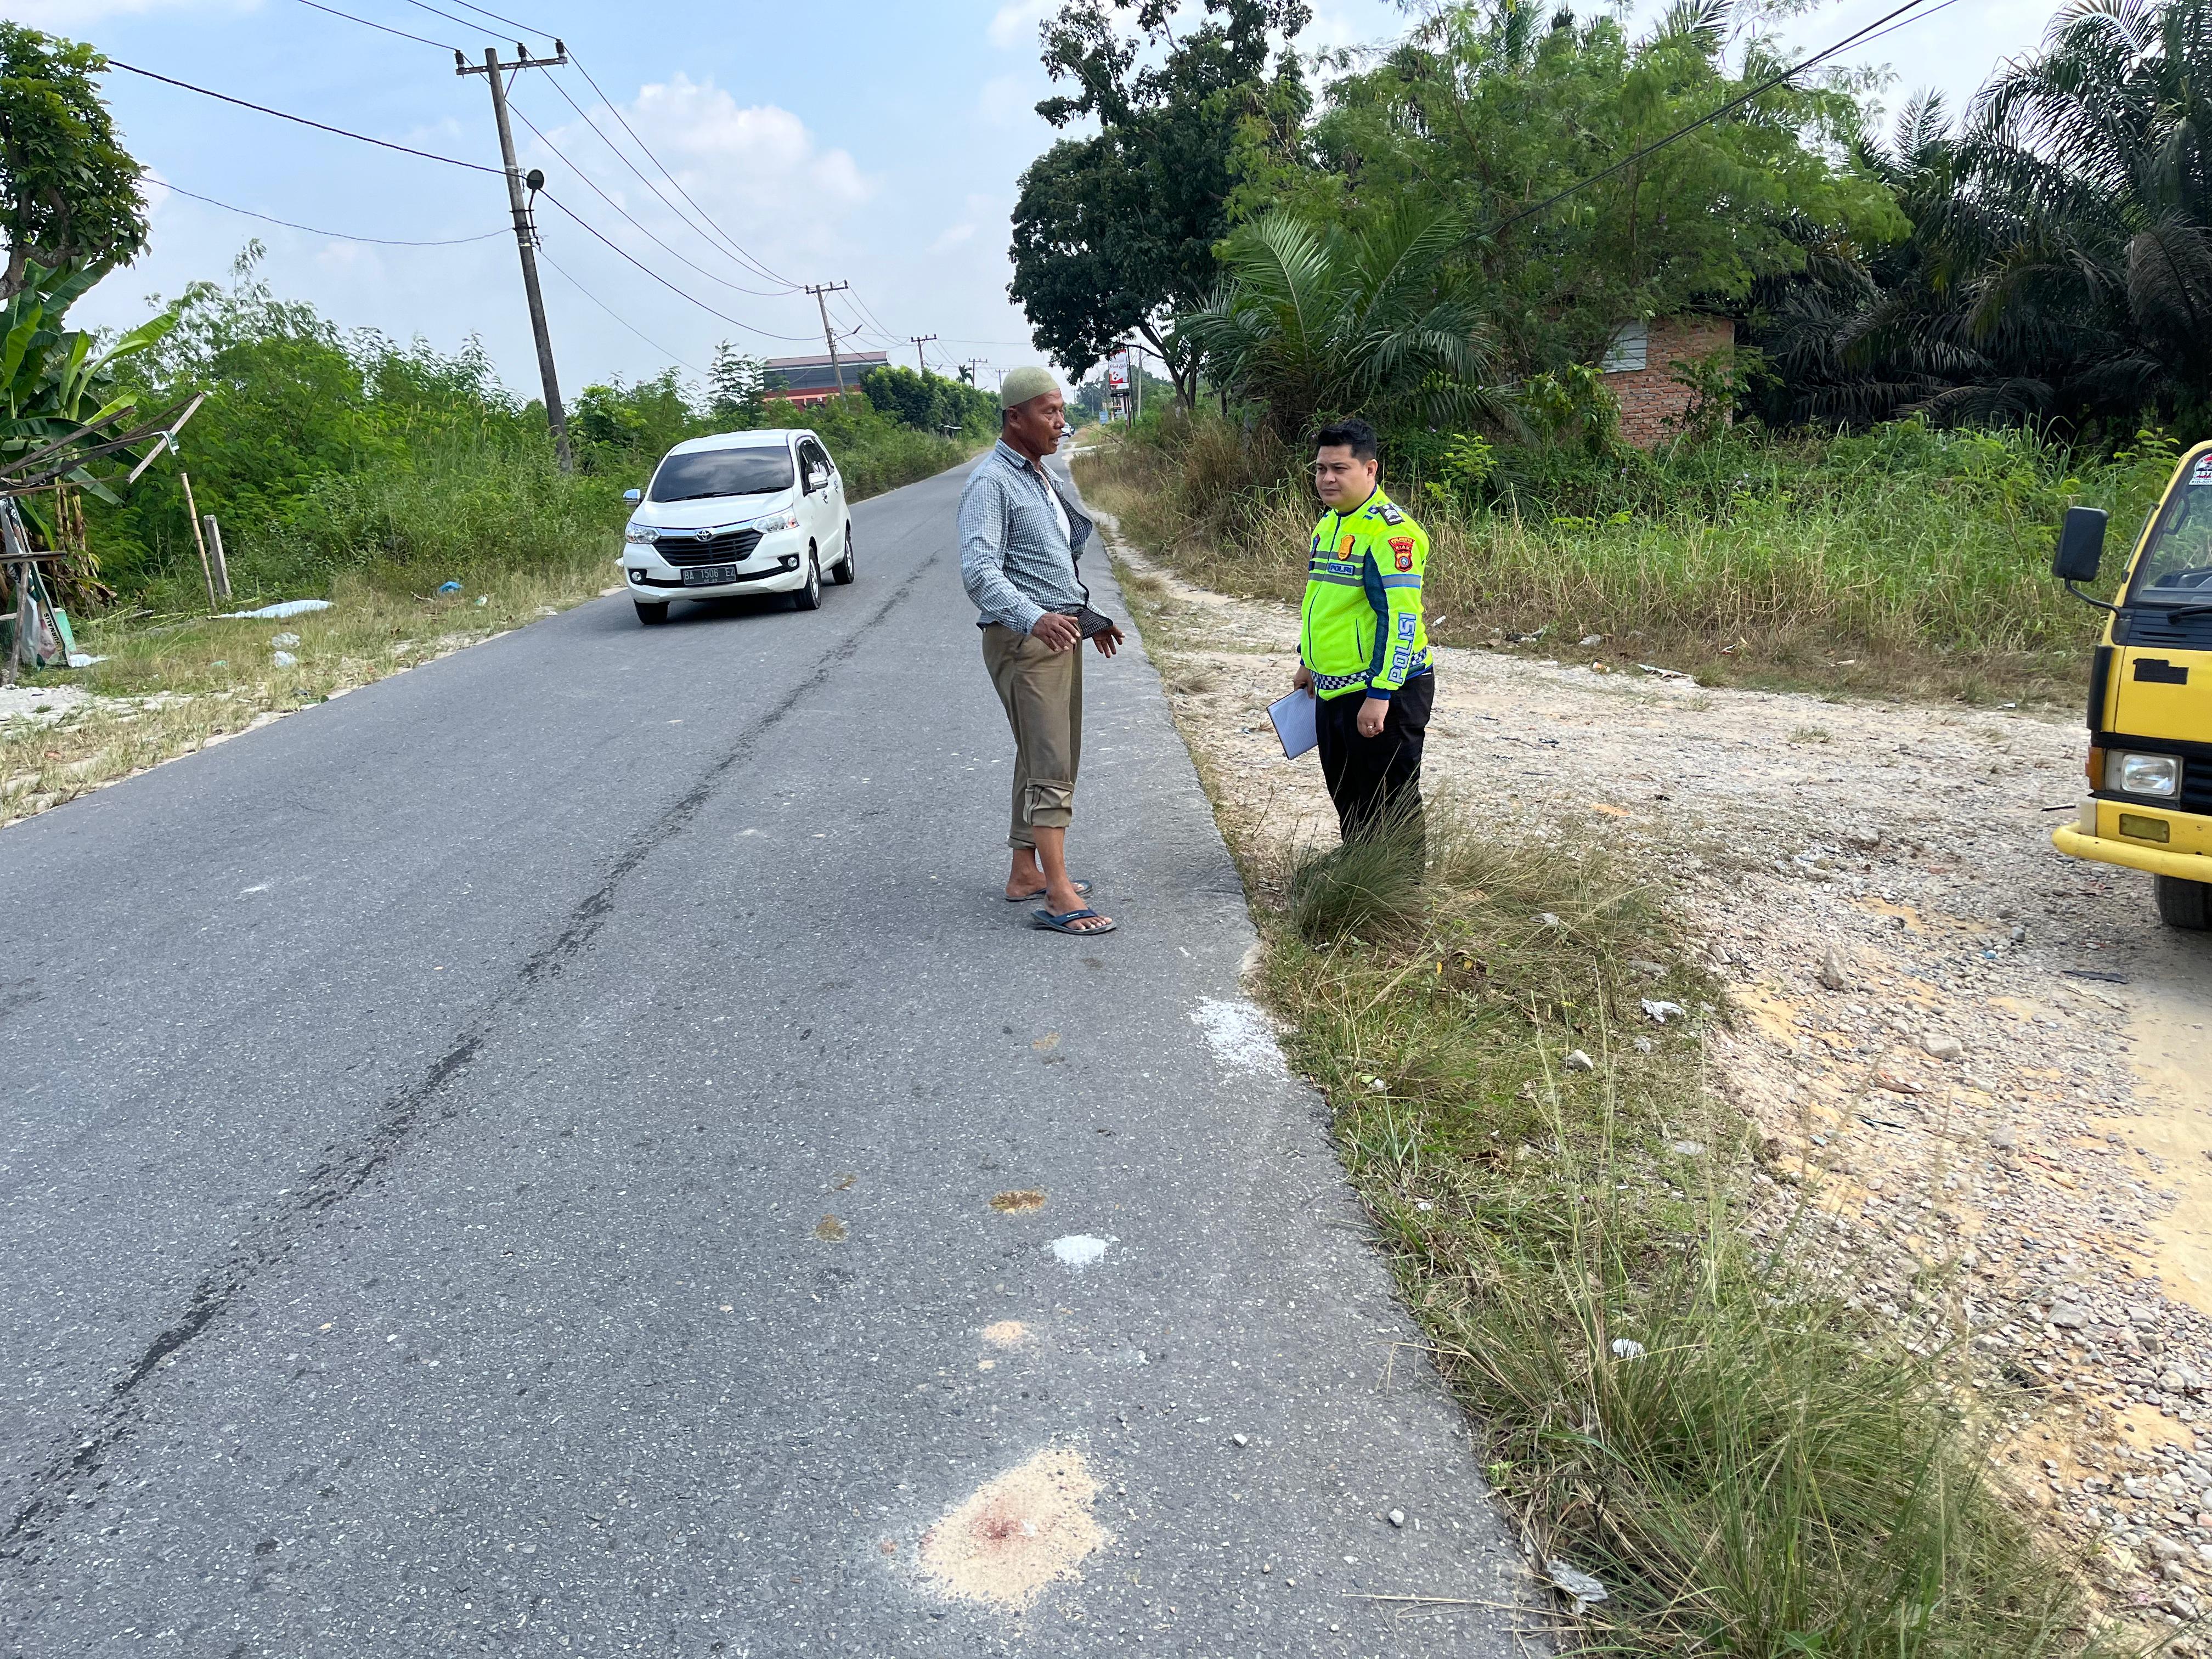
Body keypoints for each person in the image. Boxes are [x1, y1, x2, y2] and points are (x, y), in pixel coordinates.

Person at [958, 367, 1125, 936]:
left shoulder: (1035, 475)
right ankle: (1058, 894)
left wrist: (1086, 616)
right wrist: (1035, 618)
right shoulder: (991, 484)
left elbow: (1047, 564)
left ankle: (1024, 873)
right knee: (1051, 761)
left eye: (1061, 411)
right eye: (1050, 412)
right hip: (1026, 640)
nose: (1062, 421)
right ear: (1015, 419)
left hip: (1058, 632)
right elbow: (979, 572)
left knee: (1042, 755)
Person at [1290, 416, 1434, 845]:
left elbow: (1401, 620)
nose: (1327, 478)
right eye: (1320, 469)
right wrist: (1307, 662)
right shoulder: (1330, 523)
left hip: (1383, 691)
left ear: (1370, 470)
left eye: (1340, 468)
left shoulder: (1392, 534)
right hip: (1332, 687)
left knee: (1392, 801)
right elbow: (1324, 604)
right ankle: (1360, 884)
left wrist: (1380, 694)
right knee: (1348, 796)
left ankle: (1400, 901)